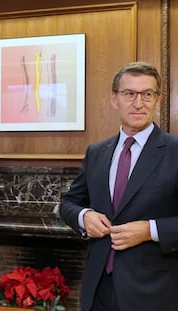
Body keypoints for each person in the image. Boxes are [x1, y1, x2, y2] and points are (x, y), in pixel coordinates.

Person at [59, 62, 178, 311]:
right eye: (129, 94)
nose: (138, 103)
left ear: (157, 100)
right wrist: (85, 216)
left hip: (153, 293)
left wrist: (150, 230)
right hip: (98, 289)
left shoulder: (174, 151)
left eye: (147, 94)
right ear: (114, 99)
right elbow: (69, 203)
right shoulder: (96, 152)